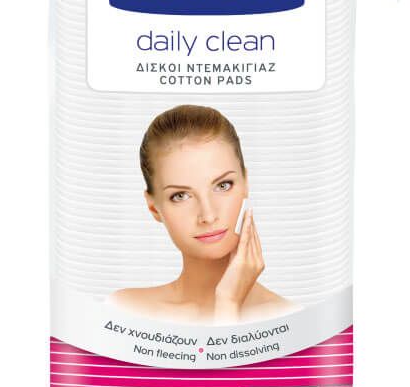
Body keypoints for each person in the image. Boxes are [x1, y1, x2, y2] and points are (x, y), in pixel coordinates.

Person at [108, 104, 297, 324]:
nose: (208, 215)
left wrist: (228, 301)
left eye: (223, 185)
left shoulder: (289, 317)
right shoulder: (126, 309)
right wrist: (228, 304)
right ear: (154, 208)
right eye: (180, 196)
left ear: (246, 183)